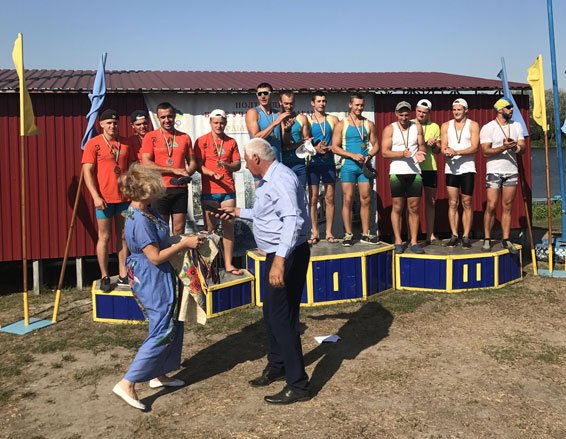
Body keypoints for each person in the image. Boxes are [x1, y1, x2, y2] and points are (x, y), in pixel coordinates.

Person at [218, 138, 311, 405]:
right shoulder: (270, 179)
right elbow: (266, 213)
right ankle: (278, 364)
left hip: (286, 254)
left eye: (247, 161)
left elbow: (292, 218)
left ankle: (298, 384)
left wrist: (280, 261)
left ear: (257, 159)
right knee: (271, 313)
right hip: (278, 254)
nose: (246, 166)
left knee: (282, 317)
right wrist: (238, 211)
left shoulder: (280, 179)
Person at [112, 164, 203, 410]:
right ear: (145, 190)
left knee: (171, 321)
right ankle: (128, 382)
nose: (160, 191)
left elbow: (161, 241)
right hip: (151, 275)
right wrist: (183, 245)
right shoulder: (140, 220)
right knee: (163, 327)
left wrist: (184, 239)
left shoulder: (146, 211)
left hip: (157, 274)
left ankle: (158, 373)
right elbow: (154, 257)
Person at [82, 109, 137, 292]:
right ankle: (105, 275)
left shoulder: (126, 143)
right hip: (104, 200)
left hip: (124, 199)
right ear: (101, 125)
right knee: (104, 237)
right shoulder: (94, 144)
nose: (112, 126)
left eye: (115, 123)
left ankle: (123, 274)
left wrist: (134, 190)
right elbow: (87, 172)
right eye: (109, 123)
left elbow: (132, 167)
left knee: (124, 237)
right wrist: (95, 196)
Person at [194, 109, 243, 274]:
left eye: (221, 123)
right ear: (210, 123)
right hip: (210, 190)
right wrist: (212, 173)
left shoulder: (231, 142)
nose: (219, 126)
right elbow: (198, 165)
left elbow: (238, 164)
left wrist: (228, 166)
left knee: (228, 228)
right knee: (210, 230)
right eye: (216, 123)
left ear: (226, 123)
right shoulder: (202, 141)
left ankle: (228, 264)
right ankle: (211, 266)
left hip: (228, 190)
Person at [140, 102, 196, 235]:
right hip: (159, 188)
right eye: (163, 117)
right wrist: (173, 170)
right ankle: (163, 250)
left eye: (169, 116)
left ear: (174, 116)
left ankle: (178, 250)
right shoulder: (150, 137)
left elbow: (193, 162)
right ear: (158, 118)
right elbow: (146, 163)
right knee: (161, 230)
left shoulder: (184, 137)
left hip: (180, 189)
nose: (167, 120)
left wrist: (187, 172)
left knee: (179, 230)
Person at [331, 94, 380, 246]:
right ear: (350, 105)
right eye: (357, 105)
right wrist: (352, 155)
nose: (359, 108)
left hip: (364, 166)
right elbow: (335, 147)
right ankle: (348, 234)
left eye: (361, 105)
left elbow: (376, 145)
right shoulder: (342, 124)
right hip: (348, 166)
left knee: (366, 198)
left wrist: (369, 155)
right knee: (348, 199)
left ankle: (365, 234)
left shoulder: (368, 124)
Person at [480, 98, 525, 253]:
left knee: (508, 206)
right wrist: (503, 147)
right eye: (508, 107)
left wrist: (514, 147)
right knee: (492, 205)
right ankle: (487, 239)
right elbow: (485, 151)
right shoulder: (488, 127)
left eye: (512, 107)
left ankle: (506, 239)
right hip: (494, 170)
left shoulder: (516, 125)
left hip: (511, 171)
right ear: (500, 110)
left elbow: (523, 148)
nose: (511, 109)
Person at [381, 101, 426, 254]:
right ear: (396, 114)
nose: (404, 117)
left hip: (415, 172)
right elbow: (384, 152)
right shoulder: (390, 129)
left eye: (407, 114)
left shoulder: (417, 127)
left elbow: (422, 145)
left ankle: (413, 241)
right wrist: (401, 153)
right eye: (401, 114)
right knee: (397, 207)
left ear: (410, 114)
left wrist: (422, 153)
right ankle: (398, 241)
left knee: (414, 208)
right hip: (397, 172)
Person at [440, 98, 480, 249]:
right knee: (452, 202)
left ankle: (466, 236)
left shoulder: (473, 125)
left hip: (467, 168)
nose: (456, 112)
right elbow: (443, 147)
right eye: (454, 109)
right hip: (451, 169)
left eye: (459, 109)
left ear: (466, 110)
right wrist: (446, 151)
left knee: (467, 202)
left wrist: (456, 152)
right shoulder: (446, 125)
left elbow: (474, 147)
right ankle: (454, 235)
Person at [307, 91, 339, 244]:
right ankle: (314, 232)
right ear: (313, 103)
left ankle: (329, 232)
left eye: (324, 101)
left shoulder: (333, 119)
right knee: (313, 199)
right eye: (319, 101)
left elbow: (339, 142)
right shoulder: (307, 120)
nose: (322, 103)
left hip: (328, 163)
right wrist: (315, 148)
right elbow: (303, 142)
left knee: (330, 198)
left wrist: (329, 147)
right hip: (313, 163)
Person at [413, 99, 441, 245]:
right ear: (415, 110)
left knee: (431, 201)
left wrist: (434, 145)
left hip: (430, 168)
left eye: (424, 112)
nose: (421, 114)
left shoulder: (434, 126)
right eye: (419, 111)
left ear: (429, 113)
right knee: (413, 204)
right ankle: (412, 237)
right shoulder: (409, 123)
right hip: (413, 168)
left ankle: (430, 235)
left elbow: (438, 151)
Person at [245, 82, 290, 162]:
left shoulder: (278, 114)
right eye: (259, 94)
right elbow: (256, 138)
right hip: (261, 162)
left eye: (265, 93)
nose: (262, 96)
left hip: (277, 161)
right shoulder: (253, 112)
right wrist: (275, 123)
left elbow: (285, 142)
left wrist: (287, 130)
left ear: (272, 95)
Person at [279, 90, 310, 188]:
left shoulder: (302, 118)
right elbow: (283, 145)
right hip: (283, 164)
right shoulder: (277, 118)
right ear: (280, 103)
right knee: (285, 195)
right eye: (286, 103)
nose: (289, 106)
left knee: (301, 195)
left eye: (291, 103)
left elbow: (307, 143)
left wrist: (308, 143)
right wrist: (298, 144)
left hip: (299, 163)